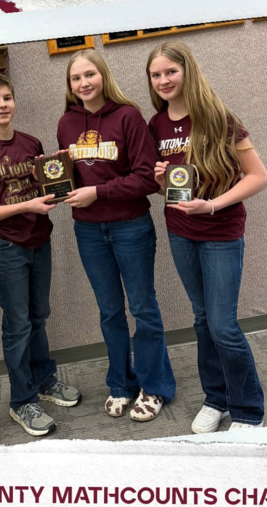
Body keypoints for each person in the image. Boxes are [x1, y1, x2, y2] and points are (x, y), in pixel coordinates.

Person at [146, 41, 267, 433]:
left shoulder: (218, 118)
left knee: (223, 326)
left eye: (171, 71)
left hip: (220, 232)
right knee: (202, 320)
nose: (164, 80)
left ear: (187, 71)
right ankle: (216, 398)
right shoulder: (156, 124)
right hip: (180, 233)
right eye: (156, 74)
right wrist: (160, 182)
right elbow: (172, 190)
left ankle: (248, 409)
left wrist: (213, 205)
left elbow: (258, 177)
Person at [57, 48, 176, 422]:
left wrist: (98, 192)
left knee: (142, 308)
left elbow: (145, 178)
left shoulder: (128, 116)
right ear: (70, 85)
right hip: (88, 230)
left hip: (130, 225)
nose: (84, 83)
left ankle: (155, 386)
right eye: (76, 78)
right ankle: (121, 383)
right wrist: (51, 181)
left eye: (89, 74)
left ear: (103, 76)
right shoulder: (66, 123)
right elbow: (69, 177)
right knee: (109, 312)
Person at [0, 73, 81, 438]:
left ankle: (44, 380)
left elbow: (46, 188)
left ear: (14, 102)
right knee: (18, 325)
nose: (2, 105)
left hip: (39, 241)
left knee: (39, 317)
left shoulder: (32, 142)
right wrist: (26, 206)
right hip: (7, 248)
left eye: (7, 98)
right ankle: (21, 401)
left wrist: (59, 177)